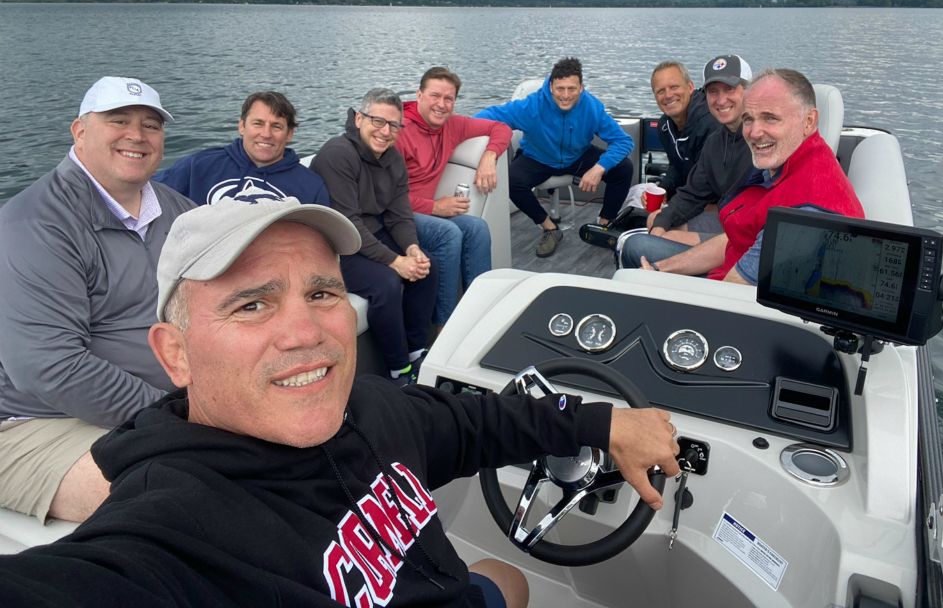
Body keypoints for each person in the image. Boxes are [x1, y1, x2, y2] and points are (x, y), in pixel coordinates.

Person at [0, 196, 681, 608]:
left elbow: (478, 422)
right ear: (175, 352)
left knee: (506, 576)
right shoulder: (171, 528)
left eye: (322, 293)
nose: (306, 332)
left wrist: (603, 422)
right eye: (252, 303)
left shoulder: (373, 407)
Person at [0, 76, 194, 524]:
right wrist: (177, 417)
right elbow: (48, 366)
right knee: (186, 495)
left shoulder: (178, 211)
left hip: (168, 400)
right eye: (118, 120)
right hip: (37, 423)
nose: (137, 135)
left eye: (151, 125)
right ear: (79, 132)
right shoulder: (35, 224)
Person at [635, 68, 864, 284]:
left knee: (635, 253)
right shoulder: (778, 166)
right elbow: (735, 241)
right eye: (748, 119)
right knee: (640, 250)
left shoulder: (808, 209)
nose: (754, 133)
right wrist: (661, 269)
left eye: (770, 118)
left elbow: (733, 292)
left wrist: (656, 283)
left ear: (809, 121)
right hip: (728, 270)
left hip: (735, 300)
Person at [311, 89, 438, 385]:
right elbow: (348, 224)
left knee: (426, 270)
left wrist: (411, 248)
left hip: (370, 233)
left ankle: (415, 351)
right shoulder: (337, 155)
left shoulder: (392, 159)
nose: (385, 131)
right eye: (377, 121)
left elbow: (399, 214)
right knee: (386, 284)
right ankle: (399, 371)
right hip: (336, 244)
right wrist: (394, 261)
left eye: (393, 125)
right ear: (359, 118)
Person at [477, 57, 634, 258]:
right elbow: (487, 116)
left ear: (581, 87)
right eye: (560, 88)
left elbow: (623, 141)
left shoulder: (592, 107)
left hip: (577, 155)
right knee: (511, 180)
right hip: (537, 156)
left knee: (623, 168)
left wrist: (598, 168)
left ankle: (604, 224)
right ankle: (550, 228)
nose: (566, 95)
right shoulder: (532, 106)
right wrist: (487, 150)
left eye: (572, 89)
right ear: (551, 86)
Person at [396, 66, 512, 325]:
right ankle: (444, 328)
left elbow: (501, 128)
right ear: (419, 95)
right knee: (449, 233)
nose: (441, 104)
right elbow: (386, 197)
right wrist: (434, 207)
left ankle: (481, 313)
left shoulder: (453, 125)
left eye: (448, 98)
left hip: (423, 213)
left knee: (477, 227)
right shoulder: (398, 131)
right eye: (435, 96)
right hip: (396, 215)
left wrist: (489, 157)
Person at [620, 55, 754, 267]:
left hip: (745, 235)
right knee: (653, 225)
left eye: (730, 90)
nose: (721, 100)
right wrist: (662, 219)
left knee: (637, 246)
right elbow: (693, 187)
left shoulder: (761, 139)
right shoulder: (716, 141)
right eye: (713, 92)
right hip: (726, 219)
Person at [155, 90, 329, 205]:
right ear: (242, 126)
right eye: (258, 124)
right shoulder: (199, 166)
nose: (266, 134)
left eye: (276, 126)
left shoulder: (311, 187)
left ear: (290, 134)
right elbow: (147, 193)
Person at [648, 61, 718, 197]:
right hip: (693, 195)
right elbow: (677, 168)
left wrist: (670, 212)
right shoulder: (664, 126)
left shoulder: (710, 123)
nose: (668, 95)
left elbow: (705, 182)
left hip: (720, 201)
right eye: (660, 91)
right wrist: (663, 191)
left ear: (690, 87)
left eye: (674, 87)